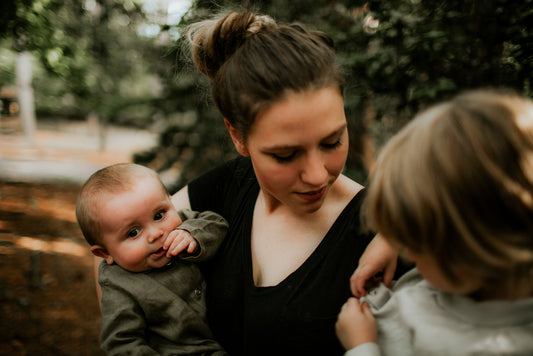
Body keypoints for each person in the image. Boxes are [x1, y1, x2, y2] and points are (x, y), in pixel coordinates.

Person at [164, 9, 409, 356]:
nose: (316, 175)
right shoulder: (229, 184)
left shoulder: (389, 232)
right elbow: (117, 237)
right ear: (237, 135)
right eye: (285, 155)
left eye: (332, 142)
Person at [335, 90, 533, 355]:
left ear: (476, 248)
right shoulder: (475, 276)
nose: (409, 253)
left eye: (415, 242)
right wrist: (390, 240)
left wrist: (362, 347)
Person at [77, 163, 229, 356]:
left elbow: (217, 223)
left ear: (172, 203)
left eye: (159, 215)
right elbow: (121, 343)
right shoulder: (119, 286)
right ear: (104, 253)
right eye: (133, 232)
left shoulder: (182, 226)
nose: (155, 234)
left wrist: (193, 236)